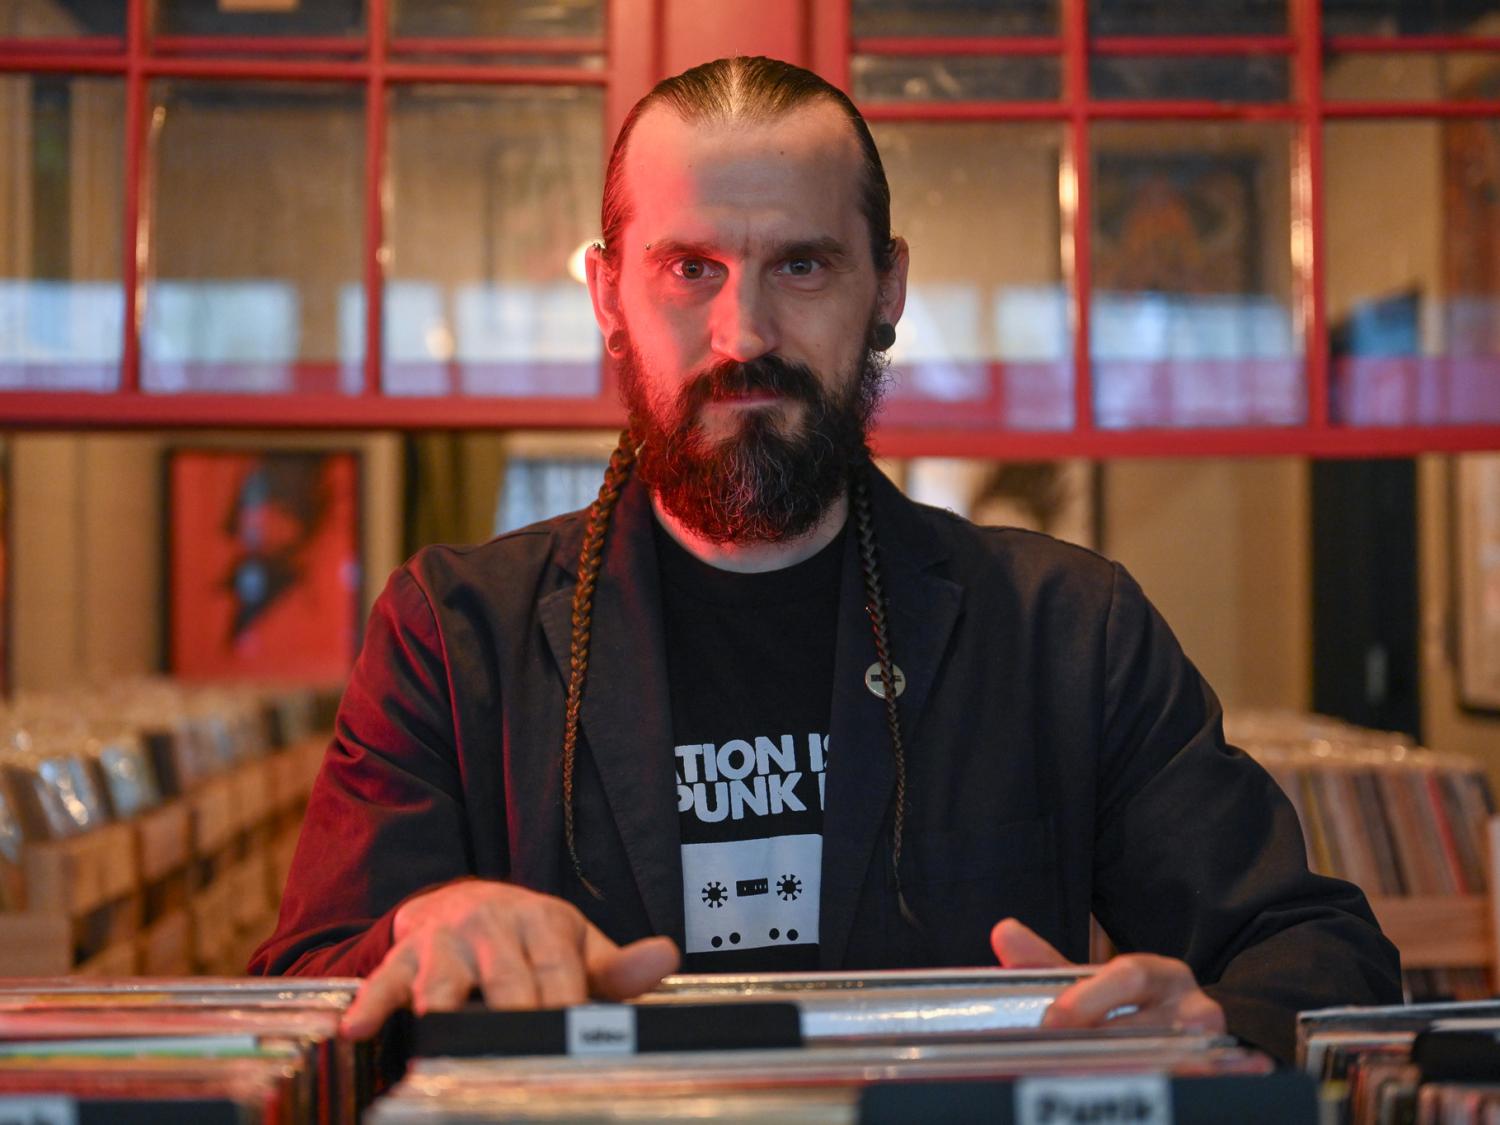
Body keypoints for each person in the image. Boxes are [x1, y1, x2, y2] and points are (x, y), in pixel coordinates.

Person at [250, 56, 1400, 1063]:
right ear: (609, 292)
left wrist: (1212, 1027)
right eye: (689, 268)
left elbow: (1316, 954)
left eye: (801, 267)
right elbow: (290, 1002)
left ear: (885, 287)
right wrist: (416, 929)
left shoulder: (1065, 627)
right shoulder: (456, 635)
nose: (743, 334)